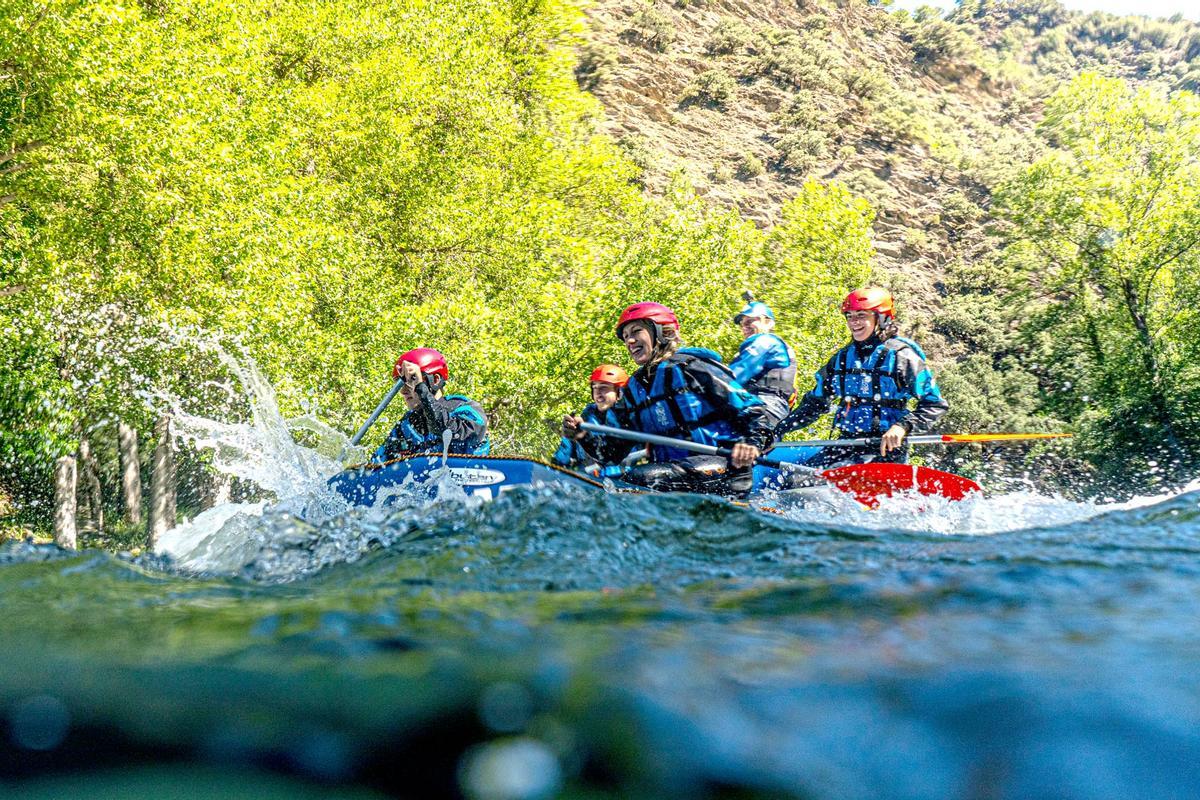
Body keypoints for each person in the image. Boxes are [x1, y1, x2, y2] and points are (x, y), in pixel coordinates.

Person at [561, 302, 774, 497]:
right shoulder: (633, 390)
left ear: (664, 332)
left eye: (636, 331)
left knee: (640, 478)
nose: (630, 340)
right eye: (626, 336)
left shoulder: (693, 368)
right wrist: (582, 436)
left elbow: (755, 412)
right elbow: (612, 454)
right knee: (628, 478)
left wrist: (751, 443)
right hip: (673, 473)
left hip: (725, 469)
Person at [774, 287, 948, 468]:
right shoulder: (841, 359)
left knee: (830, 483)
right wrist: (778, 430)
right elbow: (814, 405)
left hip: (885, 449)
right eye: (849, 316)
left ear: (881, 318)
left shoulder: (902, 358)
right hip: (846, 444)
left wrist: (902, 426)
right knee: (796, 480)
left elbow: (934, 404)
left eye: (861, 315)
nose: (853, 322)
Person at [374, 348, 489, 461]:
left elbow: (445, 431)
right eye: (400, 384)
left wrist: (420, 388)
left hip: (468, 476)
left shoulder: (467, 409)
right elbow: (378, 462)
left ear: (435, 380)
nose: (403, 391)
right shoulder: (407, 424)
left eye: (410, 382)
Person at [728, 297, 797, 427]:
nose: (745, 327)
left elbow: (737, 373)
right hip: (762, 407)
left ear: (769, 323)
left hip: (765, 406)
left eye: (750, 321)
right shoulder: (765, 346)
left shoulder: (767, 341)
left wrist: (712, 387)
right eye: (742, 324)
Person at [552, 364, 629, 475]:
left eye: (604, 387)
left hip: (621, 484)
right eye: (594, 388)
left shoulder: (633, 421)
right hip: (589, 484)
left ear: (619, 393)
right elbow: (561, 459)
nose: (597, 393)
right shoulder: (586, 418)